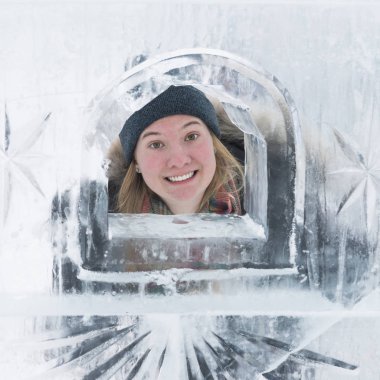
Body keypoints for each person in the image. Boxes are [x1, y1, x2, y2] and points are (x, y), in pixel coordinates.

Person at [106, 85, 244, 215]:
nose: (179, 161)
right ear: (136, 162)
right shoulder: (99, 217)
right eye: (156, 144)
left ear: (214, 143)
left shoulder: (261, 198)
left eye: (191, 136)